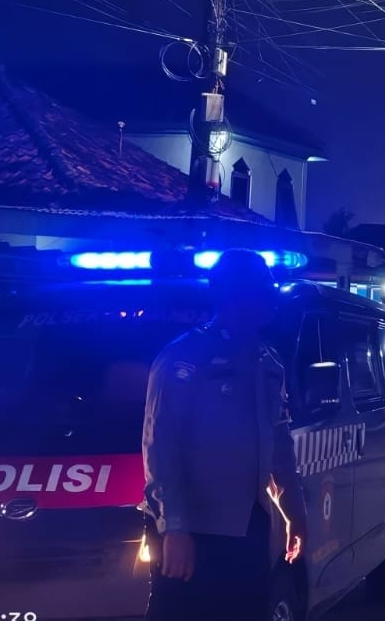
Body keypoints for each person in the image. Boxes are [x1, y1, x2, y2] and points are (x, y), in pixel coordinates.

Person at [142, 249, 308, 621]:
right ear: (234, 294)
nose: (272, 293)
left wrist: (294, 514)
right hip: (196, 530)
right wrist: (174, 529)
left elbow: (280, 448)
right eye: (263, 285)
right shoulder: (187, 357)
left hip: (250, 526)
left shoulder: (268, 361)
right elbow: (161, 445)